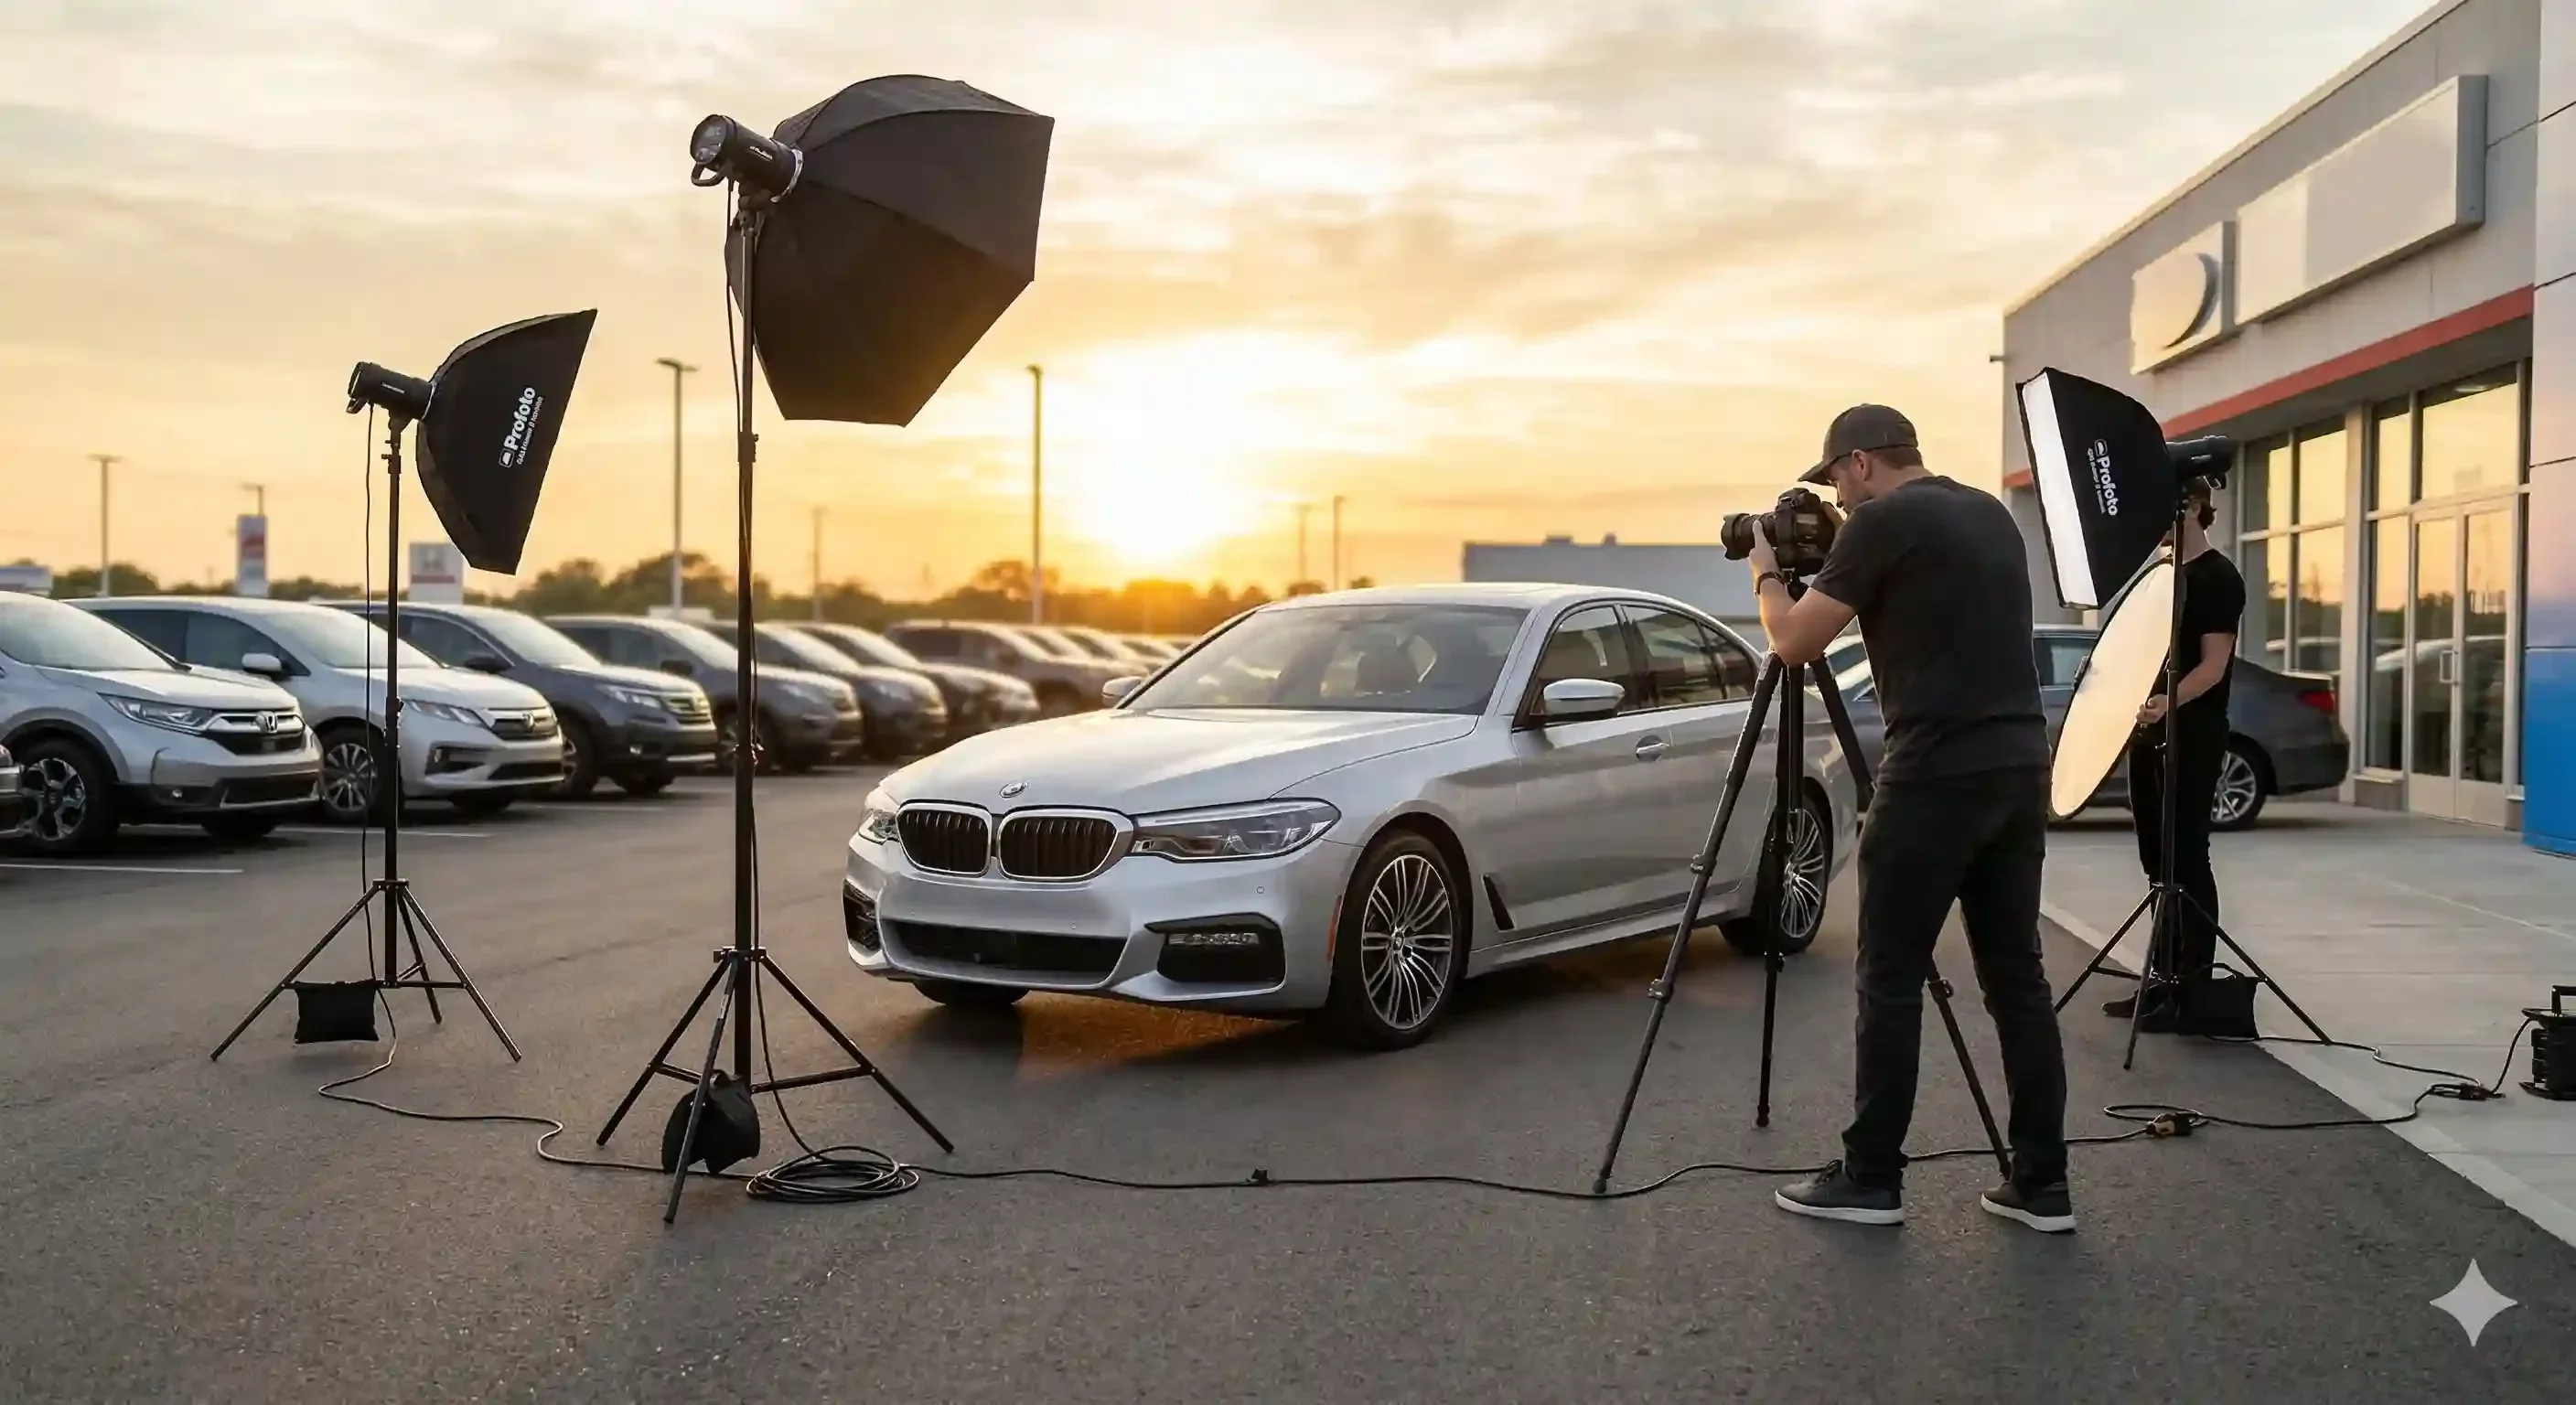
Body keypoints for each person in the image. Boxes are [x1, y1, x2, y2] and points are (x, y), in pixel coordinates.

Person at [1742, 403, 2074, 1234]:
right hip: (2019, 765)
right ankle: (2042, 1184)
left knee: (1889, 974)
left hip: (1935, 774)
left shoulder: (1884, 521)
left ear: (1859, 463)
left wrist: (1764, 570)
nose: (1840, 505)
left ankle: (1871, 1176)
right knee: (2017, 978)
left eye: (1839, 486)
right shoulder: (1989, 515)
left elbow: (1792, 645)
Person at [2106, 480, 2242, 1026]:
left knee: (2186, 855)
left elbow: (2213, 666)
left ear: (2189, 506)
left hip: (2195, 731)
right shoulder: (2161, 578)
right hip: (2150, 731)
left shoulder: (2218, 578)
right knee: (2155, 859)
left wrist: (2169, 701)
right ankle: (2160, 982)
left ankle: (2192, 988)